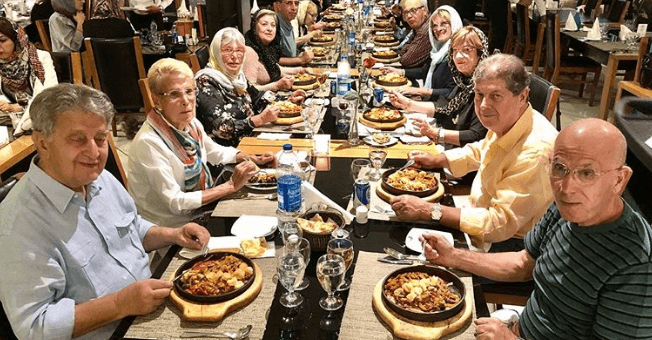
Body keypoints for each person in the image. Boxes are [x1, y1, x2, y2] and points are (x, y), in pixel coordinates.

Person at [0, 83, 211, 339]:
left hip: (153, 309)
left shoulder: (100, 179)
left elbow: (132, 228)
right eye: (77, 140)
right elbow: (34, 327)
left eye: (100, 139)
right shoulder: (18, 224)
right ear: (42, 142)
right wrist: (118, 304)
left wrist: (173, 234)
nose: (94, 152)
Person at [421, 119, 652, 340]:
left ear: (620, 180)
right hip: (518, 326)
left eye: (586, 173)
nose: (567, 187)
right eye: (560, 167)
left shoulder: (637, 264)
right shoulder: (565, 209)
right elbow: (523, 263)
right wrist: (454, 256)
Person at [391, 54, 558, 248]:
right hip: (477, 212)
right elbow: (483, 150)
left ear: (522, 96)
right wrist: (439, 159)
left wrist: (430, 210)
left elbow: (497, 225)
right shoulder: (510, 120)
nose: (484, 105)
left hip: (507, 246)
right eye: (479, 95)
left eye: (495, 96)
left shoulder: (536, 151)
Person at [128, 58, 273, 228]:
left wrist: (251, 157)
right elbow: (176, 202)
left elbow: (214, 152)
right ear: (157, 100)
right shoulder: (149, 143)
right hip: (174, 231)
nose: (186, 100)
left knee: (269, 207)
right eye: (174, 94)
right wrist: (230, 185)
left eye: (189, 91)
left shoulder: (190, 124)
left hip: (202, 212)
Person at [196, 27, 306, 147]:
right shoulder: (205, 81)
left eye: (239, 50)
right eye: (227, 50)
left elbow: (257, 97)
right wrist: (258, 120)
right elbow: (221, 128)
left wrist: (286, 101)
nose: (235, 56)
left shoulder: (237, 76)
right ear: (216, 53)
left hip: (251, 139)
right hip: (228, 152)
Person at [389, 26, 488, 146]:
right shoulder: (464, 81)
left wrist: (435, 133)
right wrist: (407, 104)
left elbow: (476, 136)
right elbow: (444, 108)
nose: (458, 56)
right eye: (455, 50)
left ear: (480, 53)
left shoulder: (485, 88)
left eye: (466, 50)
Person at [382, 6, 463, 101]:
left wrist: (419, 91)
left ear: (454, 24)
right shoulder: (438, 50)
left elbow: (451, 92)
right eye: (434, 25)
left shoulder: (457, 54)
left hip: (441, 108)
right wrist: (398, 72)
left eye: (444, 23)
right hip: (430, 101)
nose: (438, 29)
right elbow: (424, 71)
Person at [0, 18, 58, 136]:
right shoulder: (1, 64)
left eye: (2, 40)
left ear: (16, 39)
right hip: (10, 124)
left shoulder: (39, 58)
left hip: (41, 124)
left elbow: (47, 97)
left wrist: (19, 108)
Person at [243, 9, 310, 91]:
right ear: (254, 27)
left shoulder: (266, 48)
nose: (269, 29)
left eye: (273, 25)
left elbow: (278, 69)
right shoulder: (249, 52)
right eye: (264, 24)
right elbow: (248, 90)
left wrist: (302, 70)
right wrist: (276, 85)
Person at [274, 0, 314, 65]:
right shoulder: (274, 25)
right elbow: (274, 60)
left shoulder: (287, 22)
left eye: (296, 3)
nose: (294, 8)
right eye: (289, 3)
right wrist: (301, 60)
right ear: (279, 6)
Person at [398, 0, 432, 68]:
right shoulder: (418, 26)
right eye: (406, 12)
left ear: (425, 10)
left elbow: (405, 60)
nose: (409, 16)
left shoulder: (425, 30)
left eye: (413, 10)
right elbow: (401, 49)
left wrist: (407, 47)